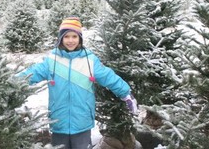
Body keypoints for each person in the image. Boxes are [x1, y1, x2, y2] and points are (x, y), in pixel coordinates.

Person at [16, 17, 138, 149]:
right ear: (60, 38)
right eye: (66, 36)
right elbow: (31, 73)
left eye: (74, 36)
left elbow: (109, 77)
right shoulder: (51, 60)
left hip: (82, 120)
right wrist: (8, 82)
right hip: (58, 120)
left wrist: (126, 94)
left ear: (80, 38)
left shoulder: (89, 60)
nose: (70, 40)